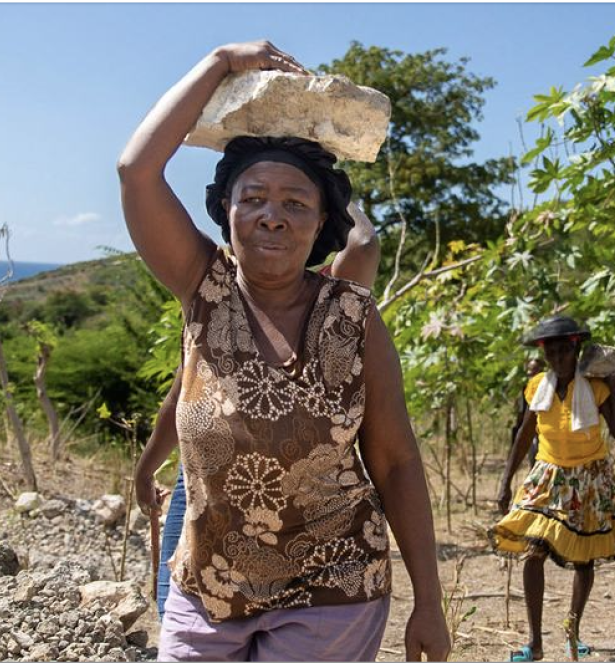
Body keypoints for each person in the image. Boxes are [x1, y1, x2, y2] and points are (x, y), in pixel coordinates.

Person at [121, 41, 449, 661]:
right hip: (207, 590)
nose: (273, 216)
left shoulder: (352, 318)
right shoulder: (204, 290)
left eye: (296, 203)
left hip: (333, 591)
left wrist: (428, 603)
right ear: (226, 210)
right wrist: (220, 62)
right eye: (254, 198)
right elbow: (136, 171)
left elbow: (397, 461)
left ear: (323, 223)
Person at [144, 200, 379, 620]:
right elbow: (180, 394)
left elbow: (362, 244)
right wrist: (147, 466)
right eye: (255, 203)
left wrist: (320, 170)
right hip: (203, 486)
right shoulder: (215, 297)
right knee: (176, 602)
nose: (273, 227)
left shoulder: (331, 300)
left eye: (294, 207)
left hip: (305, 515)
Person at [492, 316, 615, 662]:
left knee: (583, 560)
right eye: (551, 351)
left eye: (563, 350)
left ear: (575, 349)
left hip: (587, 478)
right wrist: (505, 481)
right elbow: (525, 433)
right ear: (545, 354)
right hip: (547, 474)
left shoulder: (596, 388)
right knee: (532, 552)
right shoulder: (536, 385)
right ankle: (535, 642)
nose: (557, 356)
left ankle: (573, 632)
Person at [508, 357, 547, 470]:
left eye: (534, 370)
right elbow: (521, 414)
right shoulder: (526, 390)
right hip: (532, 436)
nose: (531, 373)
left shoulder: (552, 388)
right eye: (529, 371)